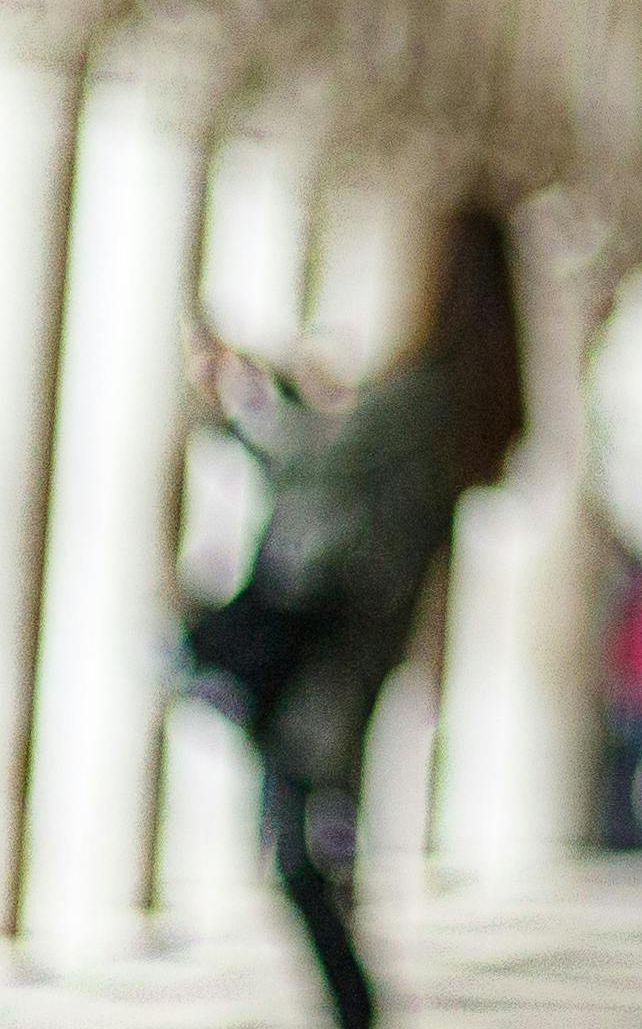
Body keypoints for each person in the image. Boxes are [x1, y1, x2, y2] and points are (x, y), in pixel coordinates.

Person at [185, 202, 527, 1029]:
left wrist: (243, 400)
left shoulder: (421, 395)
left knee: (296, 833)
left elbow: (317, 466)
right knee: (312, 820)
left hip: (328, 629)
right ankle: (354, 1003)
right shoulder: (468, 398)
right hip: (374, 628)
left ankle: (356, 1008)